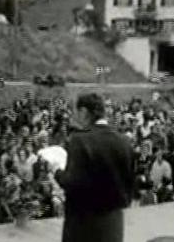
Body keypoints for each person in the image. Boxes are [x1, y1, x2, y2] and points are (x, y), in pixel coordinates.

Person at [54, 93, 134, 242]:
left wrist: (57, 172)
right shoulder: (124, 141)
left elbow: (72, 182)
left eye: (76, 112)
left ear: (84, 112)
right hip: (113, 223)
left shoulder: (79, 140)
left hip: (84, 224)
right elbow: (130, 184)